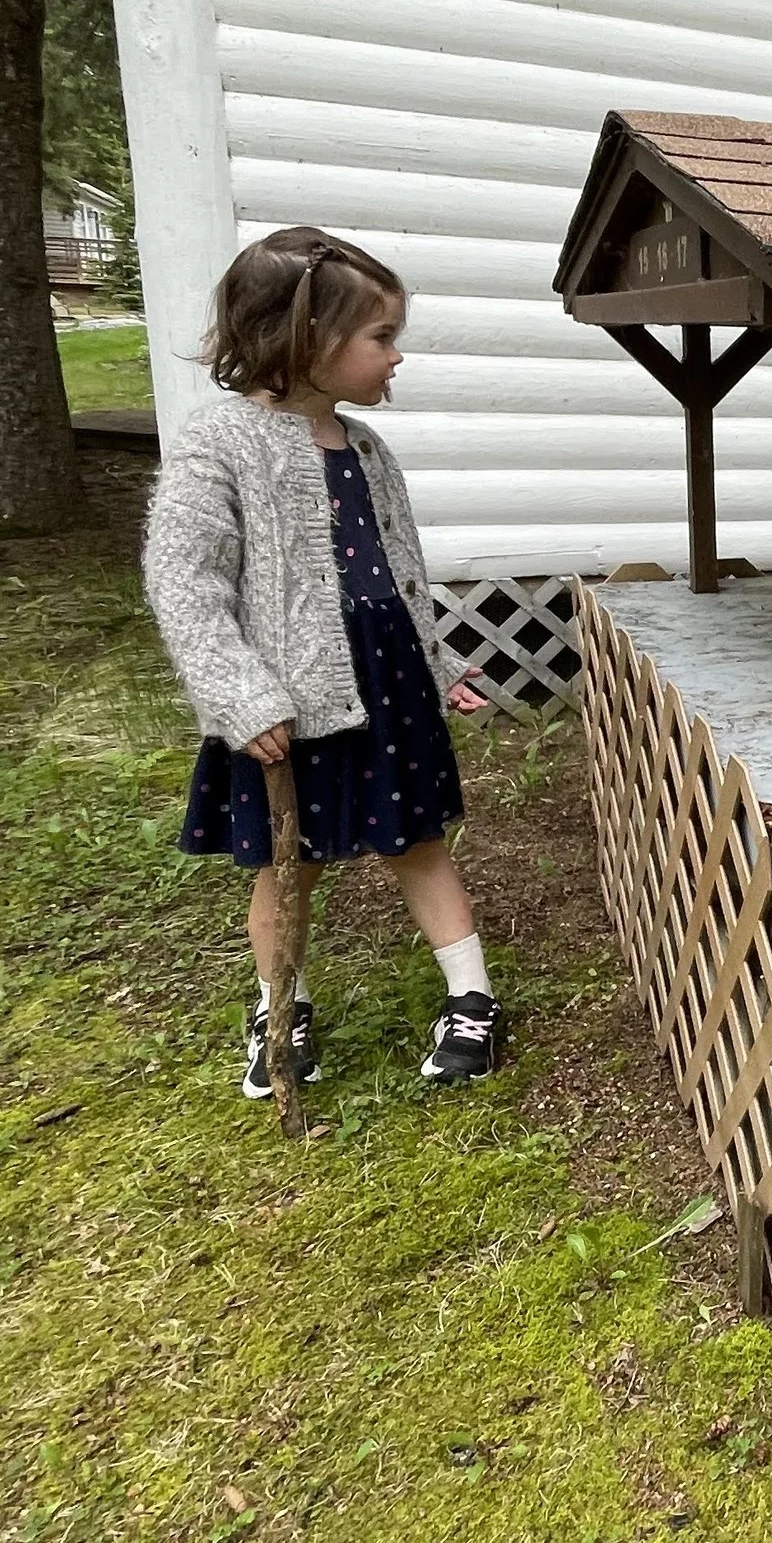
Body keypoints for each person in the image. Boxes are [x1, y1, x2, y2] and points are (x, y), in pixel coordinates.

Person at [143, 224, 503, 1096]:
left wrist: (433, 661)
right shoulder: (219, 444)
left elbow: (400, 576)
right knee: (285, 860)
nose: (396, 356)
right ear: (306, 340)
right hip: (284, 702)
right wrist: (238, 691)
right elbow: (183, 579)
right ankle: (280, 1004)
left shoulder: (369, 451)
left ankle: (473, 999)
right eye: (382, 337)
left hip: (385, 679)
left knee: (418, 841)